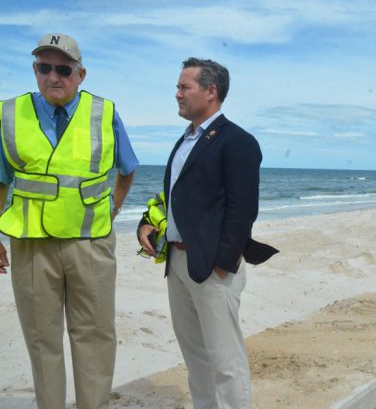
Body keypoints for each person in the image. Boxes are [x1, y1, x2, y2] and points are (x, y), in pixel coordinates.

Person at [0, 33, 138, 408]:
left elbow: (128, 169)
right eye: (44, 68)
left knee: (93, 335)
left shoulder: (104, 112)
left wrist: (114, 209)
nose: (52, 77)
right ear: (34, 70)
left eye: (63, 69)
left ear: (81, 74)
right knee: (41, 339)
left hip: (90, 244)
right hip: (31, 245)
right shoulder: (9, 113)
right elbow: (0, 179)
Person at [138, 58, 269, 409]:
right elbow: (175, 196)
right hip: (178, 262)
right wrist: (146, 223)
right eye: (179, 87)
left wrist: (223, 262)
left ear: (211, 92)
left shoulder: (237, 141)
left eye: (185, 87)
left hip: (212, 266)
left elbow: (243, 210)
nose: (177, 93)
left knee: (225, 360)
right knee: (195, 357)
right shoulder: (186, 140)